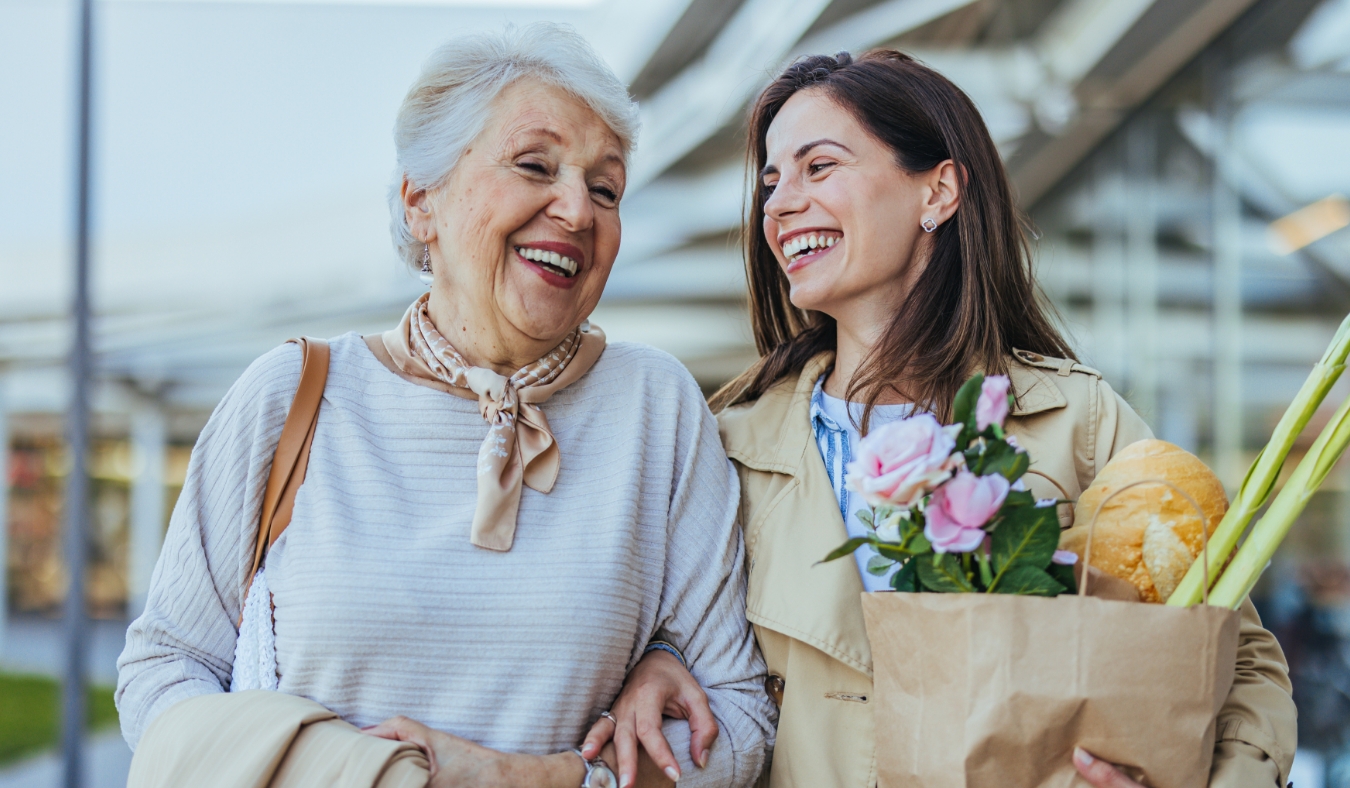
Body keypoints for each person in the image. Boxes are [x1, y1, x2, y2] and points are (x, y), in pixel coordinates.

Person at [584, 50, 1297, 788]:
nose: (778, 204)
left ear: (940, 190)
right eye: (771, 182)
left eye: (817, 167)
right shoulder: (722, 444)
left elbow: (1237, 659)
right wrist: (659, 661)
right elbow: (670, 645)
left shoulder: (1076, 421)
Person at [115, 23, 774, 788]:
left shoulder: (657, 409)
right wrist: (358, 774)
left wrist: (541, 778)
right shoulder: (291, 395)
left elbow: (741, 723)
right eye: (535, 165)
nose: (577, 209)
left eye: (606, 188)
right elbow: (166, 664)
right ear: (421, 199)